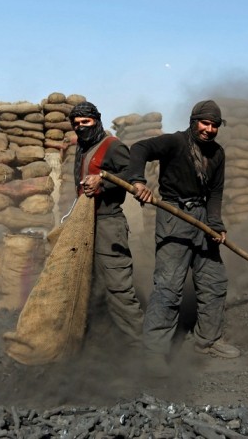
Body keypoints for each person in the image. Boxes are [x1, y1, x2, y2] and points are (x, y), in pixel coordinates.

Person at [128, 99, 240, 375]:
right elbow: (139, 148)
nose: (209, 129)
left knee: (215, 281)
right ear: (194, 122)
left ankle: (208, 340)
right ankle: (154, 351)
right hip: (174, 215)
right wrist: (138, 180)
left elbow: (215, 193)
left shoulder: (217, 154)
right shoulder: (175, 143)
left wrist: (216, 224)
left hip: (202, 217)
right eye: (205, 123)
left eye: (214, 125)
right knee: (169, 286)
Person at [68, 101, 144, 347]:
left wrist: (103, 181)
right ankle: (98, 341)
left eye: (86, 122)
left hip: (108, 224)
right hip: (84, 224)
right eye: (76, 124)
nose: (81, 128)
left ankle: (142, 347)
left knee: (118, 286)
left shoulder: (112, 147)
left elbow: (131, 175)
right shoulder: (81, 147)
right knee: (87, 283)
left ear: (97, 120)